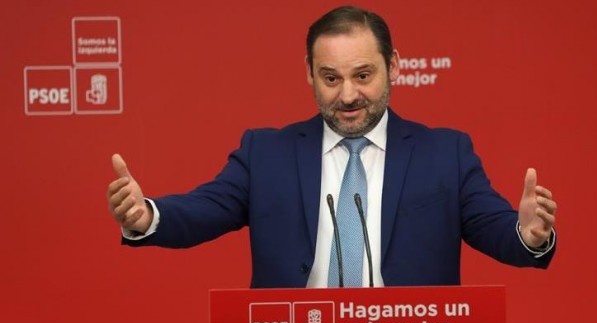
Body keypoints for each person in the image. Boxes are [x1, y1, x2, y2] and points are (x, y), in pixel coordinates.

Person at [107, 6, 557, 288]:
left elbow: (497, 229)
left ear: (394, 66)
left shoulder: (446, 154)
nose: (346, 96)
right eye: (330, 78)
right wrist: (149, 215)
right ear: (309, 73)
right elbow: (206, 208)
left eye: (363, 76)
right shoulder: (266, 153)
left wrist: (529, 235)